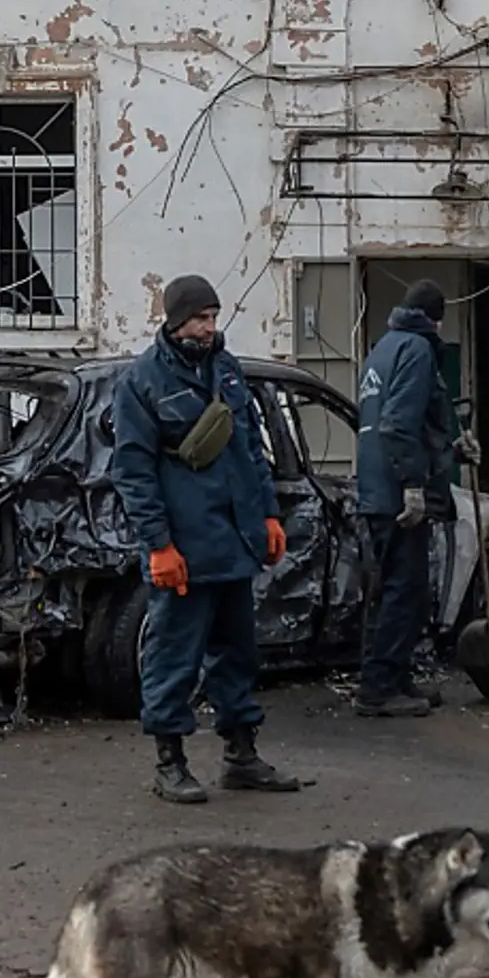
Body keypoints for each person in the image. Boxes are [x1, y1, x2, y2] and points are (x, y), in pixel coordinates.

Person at [109, 274, 298, 802]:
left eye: (214, 317)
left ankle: (242, 755)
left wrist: (267, 514)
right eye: (199, 318)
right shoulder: (143, 382)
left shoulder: (227, 370)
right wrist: (158, 545)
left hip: (235, 541)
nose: (209, 328)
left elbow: (249, 450)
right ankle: (169, 762)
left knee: (238, 653)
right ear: (175, 321)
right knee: (174, 656)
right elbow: (133, 472)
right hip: (185, 549)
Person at [352, 279, 470, 719]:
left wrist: (452, 451)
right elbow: (397, 426)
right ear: (436, 320)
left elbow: (395, 424)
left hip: (374, 490)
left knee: (386, 591)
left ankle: (392, 676)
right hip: (397, 496)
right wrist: (414, 486)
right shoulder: (419, 351)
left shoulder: (383, 348)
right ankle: (379, 689)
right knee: (408, 591)